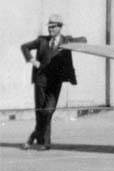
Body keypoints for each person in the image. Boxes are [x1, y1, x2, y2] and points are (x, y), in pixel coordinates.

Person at [19, 14, 86, 150]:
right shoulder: (42, 40)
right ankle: (45, 142)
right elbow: (24, 47)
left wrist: (69, 45)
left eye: (53, 27)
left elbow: (84, 40)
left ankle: (33, 137)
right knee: (40, 111)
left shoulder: (66, 40)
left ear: (60, 27)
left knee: (48, 110)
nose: (50, 29)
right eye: (49, 27)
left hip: (55, 82)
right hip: (41, 80)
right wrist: (33, 61)